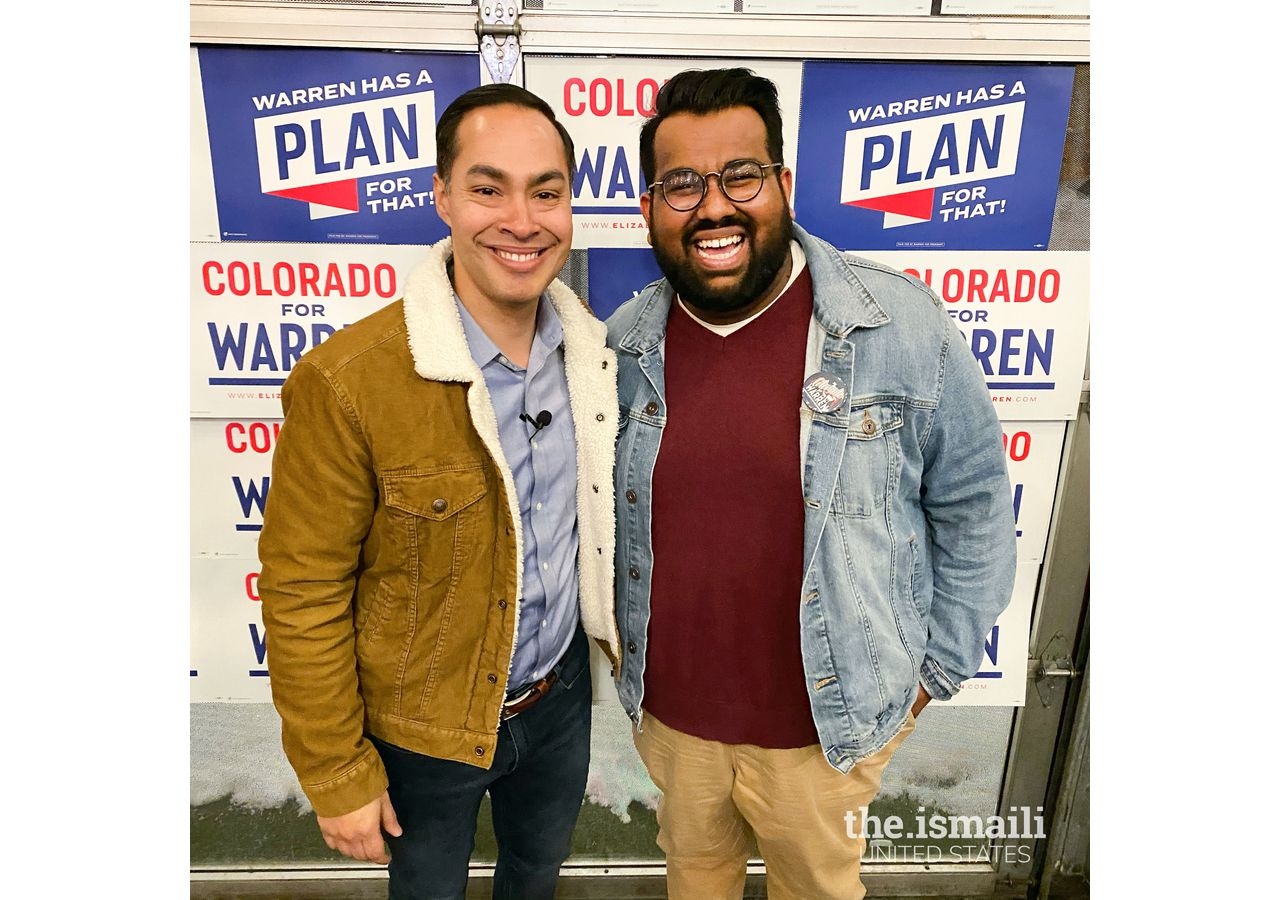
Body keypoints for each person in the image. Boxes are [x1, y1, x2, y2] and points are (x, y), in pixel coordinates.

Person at [606, 67, 1018, 900]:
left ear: (782, 186)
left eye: (741, 176)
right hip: (673, 730)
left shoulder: (899, 324)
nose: (713, 206)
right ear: (648, 207)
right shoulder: (623, 346)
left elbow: (975, 508)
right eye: (681, 184)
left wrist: (931, 676)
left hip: (826, 735)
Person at [257, 83, 620, 900]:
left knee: (536, 878)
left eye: (547, 192)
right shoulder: (349, 381)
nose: (521, 220)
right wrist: (335, 771)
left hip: (558, 705)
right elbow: (302, 589)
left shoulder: (597, 356)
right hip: (420, 731)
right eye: (488, 188)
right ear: (442, 198)